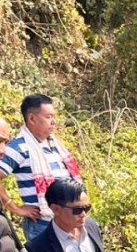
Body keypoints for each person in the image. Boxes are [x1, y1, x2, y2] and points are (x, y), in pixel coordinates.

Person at [0, 95, 84, 241]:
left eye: (54, 117)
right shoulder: (18, 147)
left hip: (69, 221)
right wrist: (15, 208)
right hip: (42, 224)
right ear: (32, 119)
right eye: (48, 117)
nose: (53, 122)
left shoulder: (56, 145)